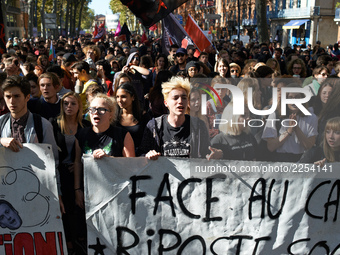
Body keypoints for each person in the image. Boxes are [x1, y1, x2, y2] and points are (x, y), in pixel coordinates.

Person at [0, 75, 62, 210]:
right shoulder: (1, 123)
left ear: (27, 97)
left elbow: (53, 163)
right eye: (8, 97)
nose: (11, 101)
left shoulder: (42, 125)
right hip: (6, 192)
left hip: (36, 191)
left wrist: (58, 196)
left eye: (16, 96)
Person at [74, 93, 135, 207]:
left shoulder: (122, 135)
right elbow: (77, 163)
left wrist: (109, 159)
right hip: (89, 192)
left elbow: (131, 166)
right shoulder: (81, 134)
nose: (96, 112)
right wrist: (77, 189)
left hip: (116, 193)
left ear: (110, 114)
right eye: (92, 109)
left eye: (101, 110)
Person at [51, 92, 90, 254]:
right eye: (66, 103)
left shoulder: (85, 125)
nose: (69, 106)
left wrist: (80, 164)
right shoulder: (54, 123)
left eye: (73, 103)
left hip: (81, 172)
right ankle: (68, 242)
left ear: (79, 106)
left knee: (79, 205)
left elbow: (89, 149)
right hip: (60, 171)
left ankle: (81, 239)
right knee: (64, 207)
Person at [138, 76, 210, 159]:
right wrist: (148, 155)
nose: (180, 101)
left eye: (184, 98)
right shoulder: (154, 126)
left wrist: (215, 155)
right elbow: (141, 154)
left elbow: (206, 153)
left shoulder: (198, 125)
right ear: (166, 103)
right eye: (175, 98)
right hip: (163, 172)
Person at [261, 83, 318, 162]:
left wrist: (296, 128)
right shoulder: (275, 115)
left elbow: (308, 145)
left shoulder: (311, 117)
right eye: (290, 97)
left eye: (297, 97)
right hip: (281, 160)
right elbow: (271, 146)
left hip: (302, 160)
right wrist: (289, 130)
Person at [115, 83, 149, 154]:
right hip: (118, 159)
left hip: (139, 158)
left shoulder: (143, 117)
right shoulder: (114, 117)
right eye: (117, 97)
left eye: (123, 97)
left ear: (133, 97)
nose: (119, 100)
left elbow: (147, 140)